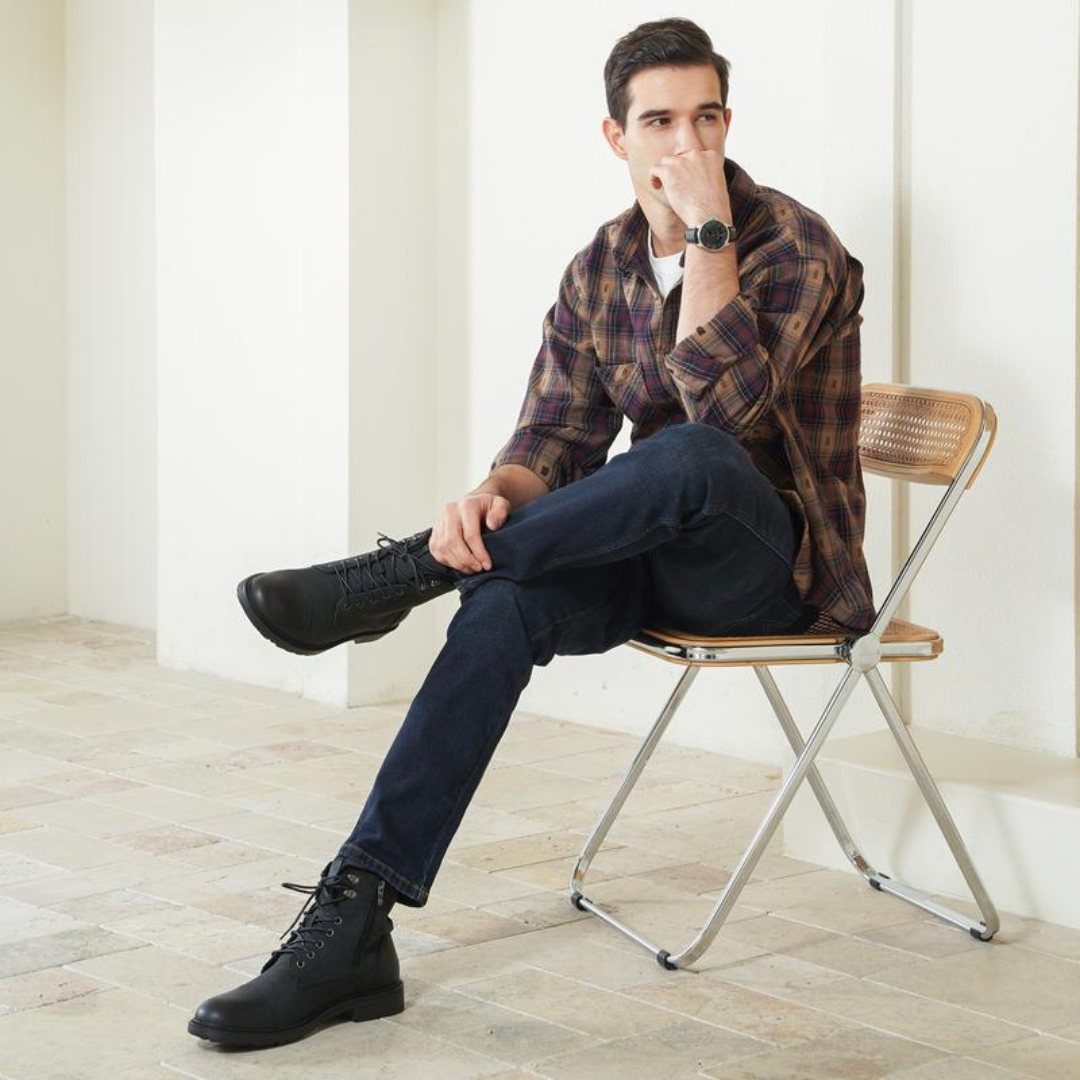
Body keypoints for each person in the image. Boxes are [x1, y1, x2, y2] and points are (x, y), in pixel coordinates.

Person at [187, 16, 874, 1048]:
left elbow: (722, 414)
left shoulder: (793, 243)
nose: (686, 143)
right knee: (502, 598)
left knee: (691, 454)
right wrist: (487, 499)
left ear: (728, 125)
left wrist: (708, 234)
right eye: (659, 122)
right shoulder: (600, 265)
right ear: (616, 137)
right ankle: (356, 920)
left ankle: (401, 576)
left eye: (705, 118)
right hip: (647, 557)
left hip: (773, 572)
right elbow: (553, 441)